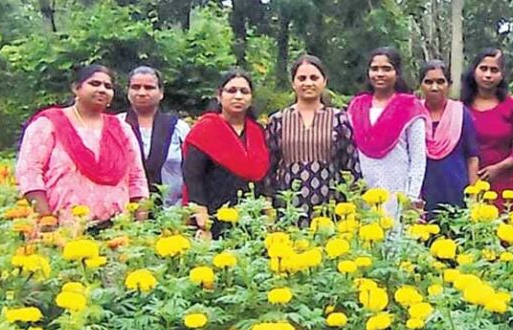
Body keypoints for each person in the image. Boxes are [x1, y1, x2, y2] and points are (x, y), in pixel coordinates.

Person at [16, 64, 149, 227]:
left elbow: (137, 178)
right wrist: (46, 219)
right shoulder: (49, 123)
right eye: (94, 84)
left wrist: (139, 227)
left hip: (117, 230)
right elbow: (29, 172)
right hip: (62, 228)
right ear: (76, 88)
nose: (102, 90)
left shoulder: (121, 128)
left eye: (108, 86)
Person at [263, 55, 361, 223]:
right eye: (302, 78)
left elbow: (351, 165)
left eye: (314, 78)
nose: (308, 83)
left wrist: (353, 203)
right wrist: (268, 202)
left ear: (324, 82)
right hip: (289, 205)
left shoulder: (339, 119)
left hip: (330, 203)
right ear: (293, 83)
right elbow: (269, 167)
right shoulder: (278, 120)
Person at [182, 69, 270, 239]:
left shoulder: (258, 132)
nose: (238, 96)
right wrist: (201, 217)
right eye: (231, 91)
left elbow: (264, 176)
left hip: (252, 221)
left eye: (244, 92)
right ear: (219, 95)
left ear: (251, 98)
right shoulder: (204, 130)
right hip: (213, 219)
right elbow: (193, 177)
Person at [347, 47, 427, 219]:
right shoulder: (357, 107)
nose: (380, 74)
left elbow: (418, 160)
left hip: (399, 191)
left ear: (397, 73)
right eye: (375, 69)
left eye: (386, 69)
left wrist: (411, 198)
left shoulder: (410, 107)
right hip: (365, 192)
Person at [461, 48, 513, 211]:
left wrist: (498, 168)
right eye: (483, 69)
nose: (488, 75)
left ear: (502, 75)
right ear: (474, 71)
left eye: (494, 70)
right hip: (468, 183)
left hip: (504, 185)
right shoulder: (461, 107)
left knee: (505, 231)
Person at [119, 66, 190, 207]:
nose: (142, 93)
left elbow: (193, 172)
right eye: (136, 87)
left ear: (161, 92)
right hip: (125, 213)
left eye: (149, 87)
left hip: (172, 214)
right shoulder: (116, 126)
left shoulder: (178, 128)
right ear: (128, 91)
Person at [419, 60, 480, 218]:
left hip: (456, 189)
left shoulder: (461, 113)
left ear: (449, 85)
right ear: (420, 85)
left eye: (440, 82)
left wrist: (473, 196)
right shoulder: (413, 114)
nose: (434, 87)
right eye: (428, 82)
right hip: (422, 191)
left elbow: (472, 157)